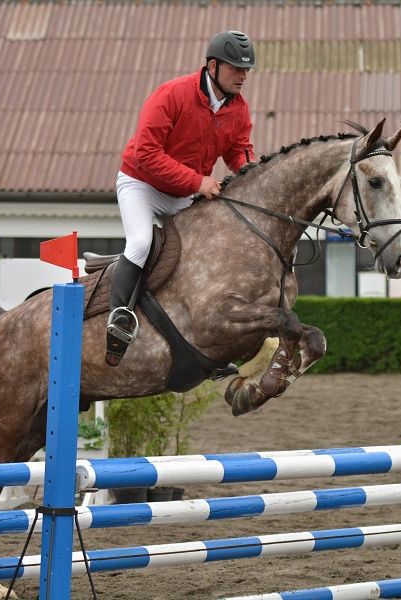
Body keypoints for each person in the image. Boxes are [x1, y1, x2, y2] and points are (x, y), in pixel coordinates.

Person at [105, 30, 257, 366]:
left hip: (186, 192)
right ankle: (118, 317)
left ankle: (209, 342)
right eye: (237, 68)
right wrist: (197, 181)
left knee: (211, 251)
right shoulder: (172, 94)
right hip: (141, 184)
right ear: (213, 66)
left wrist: (253, 175)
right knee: (142, 242)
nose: (243, 76)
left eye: (247, 70)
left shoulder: (238, 108)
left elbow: (238, 150)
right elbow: (146, 153)